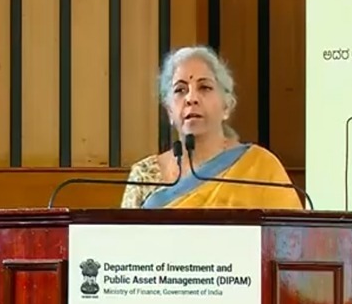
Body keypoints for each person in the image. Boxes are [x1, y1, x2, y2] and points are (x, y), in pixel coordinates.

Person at [121, 45, 303, 209]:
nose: (191, 98)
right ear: (169, 111)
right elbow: (124, 236)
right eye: (180, 90)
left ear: (226, 106)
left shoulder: (261, 168)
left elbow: (290, 233)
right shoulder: (144, 175)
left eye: (204, 87)